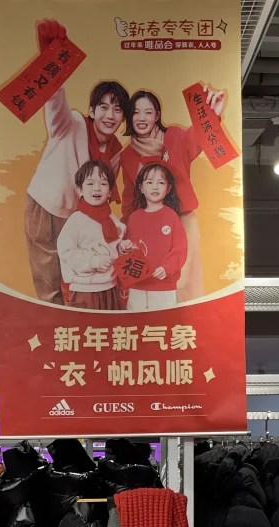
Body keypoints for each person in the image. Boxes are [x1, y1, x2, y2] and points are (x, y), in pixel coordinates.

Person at [24, 18, 129, 304]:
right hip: (46, 206)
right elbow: (54, 101)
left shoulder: (116, 150)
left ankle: (77, 326)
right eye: (103, 107)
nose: (110, 115)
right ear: (92, 111)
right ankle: (55, 326)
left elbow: (104, 189)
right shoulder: (71, 123)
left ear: (123, 117)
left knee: (80, 281)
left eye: (117, 109)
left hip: (80, 217)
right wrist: (52, 61)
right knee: (49, 281)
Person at [119, 86, 226, 303]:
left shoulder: (175, 136)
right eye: (136, 112)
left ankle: (189, 321)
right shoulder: (128, 154)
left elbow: (197, 139)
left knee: (186, 278)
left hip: (182, 216)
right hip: (148, 224)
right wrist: (124, 231)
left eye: (148, 112)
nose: (142, 118)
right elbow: (129, 196)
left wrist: (212, 115)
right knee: (153, 277)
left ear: (157, 116)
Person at [55, 160, 126, 310]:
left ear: (110, 191)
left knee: (112, 324)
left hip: (110, 288)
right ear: (80, 190)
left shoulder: (112, 220)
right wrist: (94, 261)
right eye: (90, 183)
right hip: (84, 290)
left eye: (103, 183)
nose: (97, 188)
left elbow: (114, 248)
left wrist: (123, 247)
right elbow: (66, 251)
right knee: (87, 325)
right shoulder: (76, 220)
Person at [119, 162, 188, 311]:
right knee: (136, 321)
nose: (155, 187)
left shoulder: (171, 216)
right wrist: (124, 247)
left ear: (168, 188)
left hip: (163, 285)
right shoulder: (134, 217)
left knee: (162, 321)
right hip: (136, 285)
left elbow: (180, 249)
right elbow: (128, 248)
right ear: (141, 187)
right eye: (149, 182)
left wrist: (167, 268)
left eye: (161, 183)